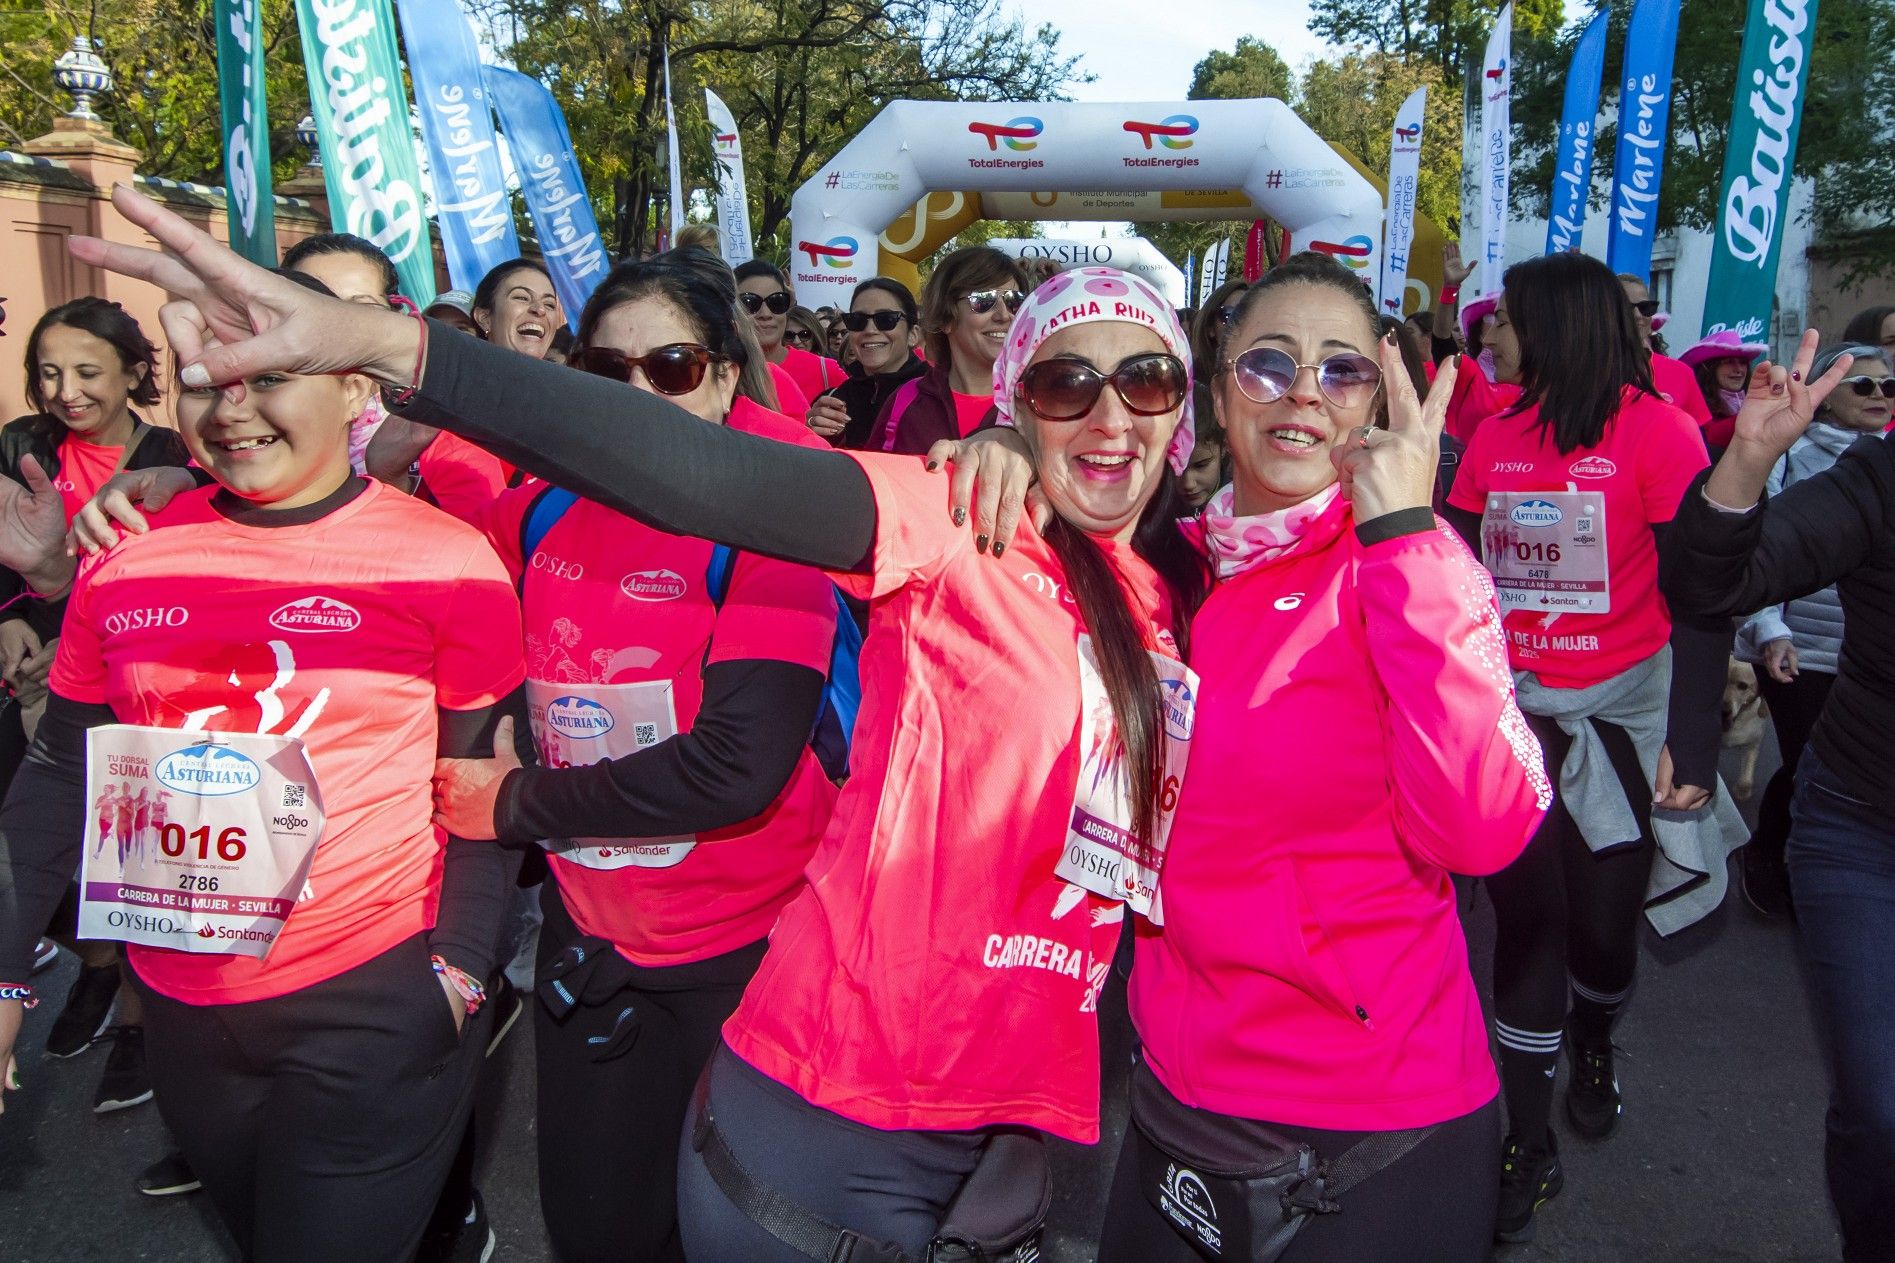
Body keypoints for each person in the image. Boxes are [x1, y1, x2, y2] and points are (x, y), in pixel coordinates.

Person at [81, 190, 1210, 1257]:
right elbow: (670, 471)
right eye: (1064, 385)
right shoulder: (946, 515)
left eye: (1147, 381)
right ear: (1016, 402)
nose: (1109, 414)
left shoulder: (1164, 591)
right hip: (825, 1077)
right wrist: (350, 369)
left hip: (1005, 1097)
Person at [0, 268, 526, 1262]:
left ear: (355, 388)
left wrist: (455, 973)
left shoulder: (446, 560)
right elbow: (60, 775)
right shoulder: (125, 545)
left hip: (373, 996)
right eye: (202, 381)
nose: (230, 409)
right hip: (185, 1004)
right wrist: (5, 981)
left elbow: (479, 791)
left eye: (266, 375)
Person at [1085, 254, 1550, 1262]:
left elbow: (1482, 830)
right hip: (1172, 1093)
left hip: (1373, 1128)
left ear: (1375, 402)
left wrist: (1402, 536)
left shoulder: (1407, 566)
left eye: (1340, 370)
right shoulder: (1166, 568)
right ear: (1217, 394)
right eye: (1267, 364)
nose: (1302, 389)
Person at [430, 260, 840, 1263]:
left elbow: (735, 768)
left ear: (725, 374)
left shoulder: (773, 508)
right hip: (594, 934)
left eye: (671, 365)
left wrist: (516, 802)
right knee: (598, 1232)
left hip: (748, 952)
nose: (637, 399)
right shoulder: (543, 498)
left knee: (737, 1235)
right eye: (606, 369)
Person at [1442, 251, 1740, 1244]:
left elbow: (1701, 594)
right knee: (1530, 923)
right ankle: (1528, 1141)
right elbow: (1450, 568)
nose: (1490, 336)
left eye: (1506, 323)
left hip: (1621, 721)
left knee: (1603, 933)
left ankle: (1597, 1037)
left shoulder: (1658, 432)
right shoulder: (1495, 434)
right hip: (1517, 722)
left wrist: (1691, 743)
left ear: (1554, 327)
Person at [1660, 327, 1892, 1263]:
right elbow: (1709, 580)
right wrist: (1745, 464)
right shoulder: (1879, 479)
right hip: (1862, 828)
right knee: (1880, 1110)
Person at [1, 298, 193, 1120]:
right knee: (47, 848)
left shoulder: (173, 457)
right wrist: (14, 611)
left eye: (86, 371)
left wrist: (62, 595)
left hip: (133, 681)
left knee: (133, 852)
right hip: (36, 678)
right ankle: (96, 968)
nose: (65, 390)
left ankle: (140, 1025)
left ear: (131, 373)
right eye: (49, 372)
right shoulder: (22, 445)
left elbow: (177, 581)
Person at [1731, 344, 1891, 919]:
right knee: (1809, 762)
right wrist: (1771, 631)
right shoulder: (1789, 452)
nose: (1879, 397)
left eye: (1889, 388)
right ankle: (1772, 852)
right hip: (1799, 649)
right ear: (1825, 395)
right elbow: (1748, 548)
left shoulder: (1886, 463)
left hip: (1864, 653)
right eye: (1864, 386)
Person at [366, 259, 560, 521]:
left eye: (549, 304)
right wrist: (388, 475)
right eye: (522, 297)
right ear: (484, 317)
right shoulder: (442, 404)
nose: (538, 309)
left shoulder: (566, 408)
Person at [867, 246, 1028, 454]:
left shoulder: (1040, 404)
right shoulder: (904, 401)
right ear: (946, 318)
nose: (1004, 315)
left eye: (1013, 301)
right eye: (983, 300)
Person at [281, 233, 405, 474]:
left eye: (361, 307)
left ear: (396, 316)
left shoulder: (426, 426)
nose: (339, 324)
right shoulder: (251, 411)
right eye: (316, 304)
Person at [806, 278, 925, 449]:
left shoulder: (937, 393)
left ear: (913, 334)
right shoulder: (833, 400)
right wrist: (811, 434)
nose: (870, 330)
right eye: (857, 320)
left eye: (886, 319)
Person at [735, 260, 843, 406]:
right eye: (750, 303)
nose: (765, 314)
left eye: (777, 302)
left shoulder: (825, 370)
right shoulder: (718, 373)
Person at [1617, 274, 1711, 426]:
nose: (1638, 315)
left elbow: (1697, 441)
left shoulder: (1681, 373)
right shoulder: (1592, 371)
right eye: (1625, 308)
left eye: (1646, 308)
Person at [1682, 330, 1767, 454]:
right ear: (1709, 368)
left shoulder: (1752, 400)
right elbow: (1711, 436)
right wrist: (1758, 411)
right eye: (1729, 362)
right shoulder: (1694, 406)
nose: (1738, 370)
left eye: (1743, 363)